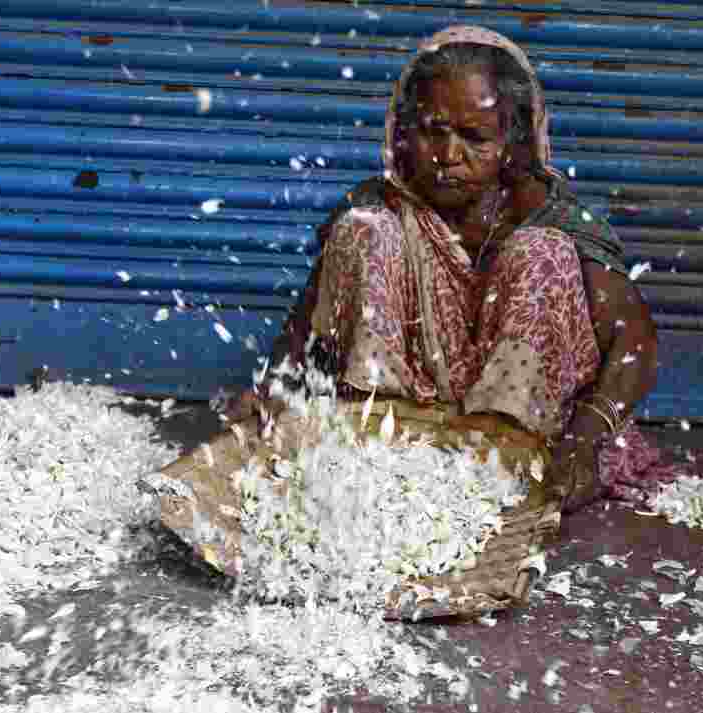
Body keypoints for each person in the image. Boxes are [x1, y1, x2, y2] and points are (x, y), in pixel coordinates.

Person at [230, 25, 678, 513]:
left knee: (542, 251)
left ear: (511, 141)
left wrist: (587, 440)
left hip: (521, 432)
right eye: (433, 131)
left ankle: (508, 447)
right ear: (406, 131)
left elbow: (634, 340)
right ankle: (378, 438)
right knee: (365, 227)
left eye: (474, 137)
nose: (448, 156)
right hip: (395, 426)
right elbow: (308, 318)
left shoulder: (551, 215)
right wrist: (273, 388)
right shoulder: (380, 205)